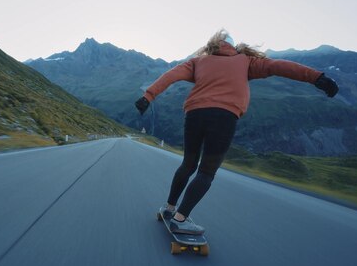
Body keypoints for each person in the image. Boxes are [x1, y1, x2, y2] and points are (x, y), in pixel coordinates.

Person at [134, 29, 338, 235]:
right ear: (234, 46)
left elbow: (171, 75)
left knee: (188, 164)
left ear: (212, 45)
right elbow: (278, 66)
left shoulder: (198, 62)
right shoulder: (245, 61)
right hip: (224, 117)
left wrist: (148, 96)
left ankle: (169, 209)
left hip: (194, 115)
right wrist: (317, 78)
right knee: (206, 172)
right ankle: (180, 219)